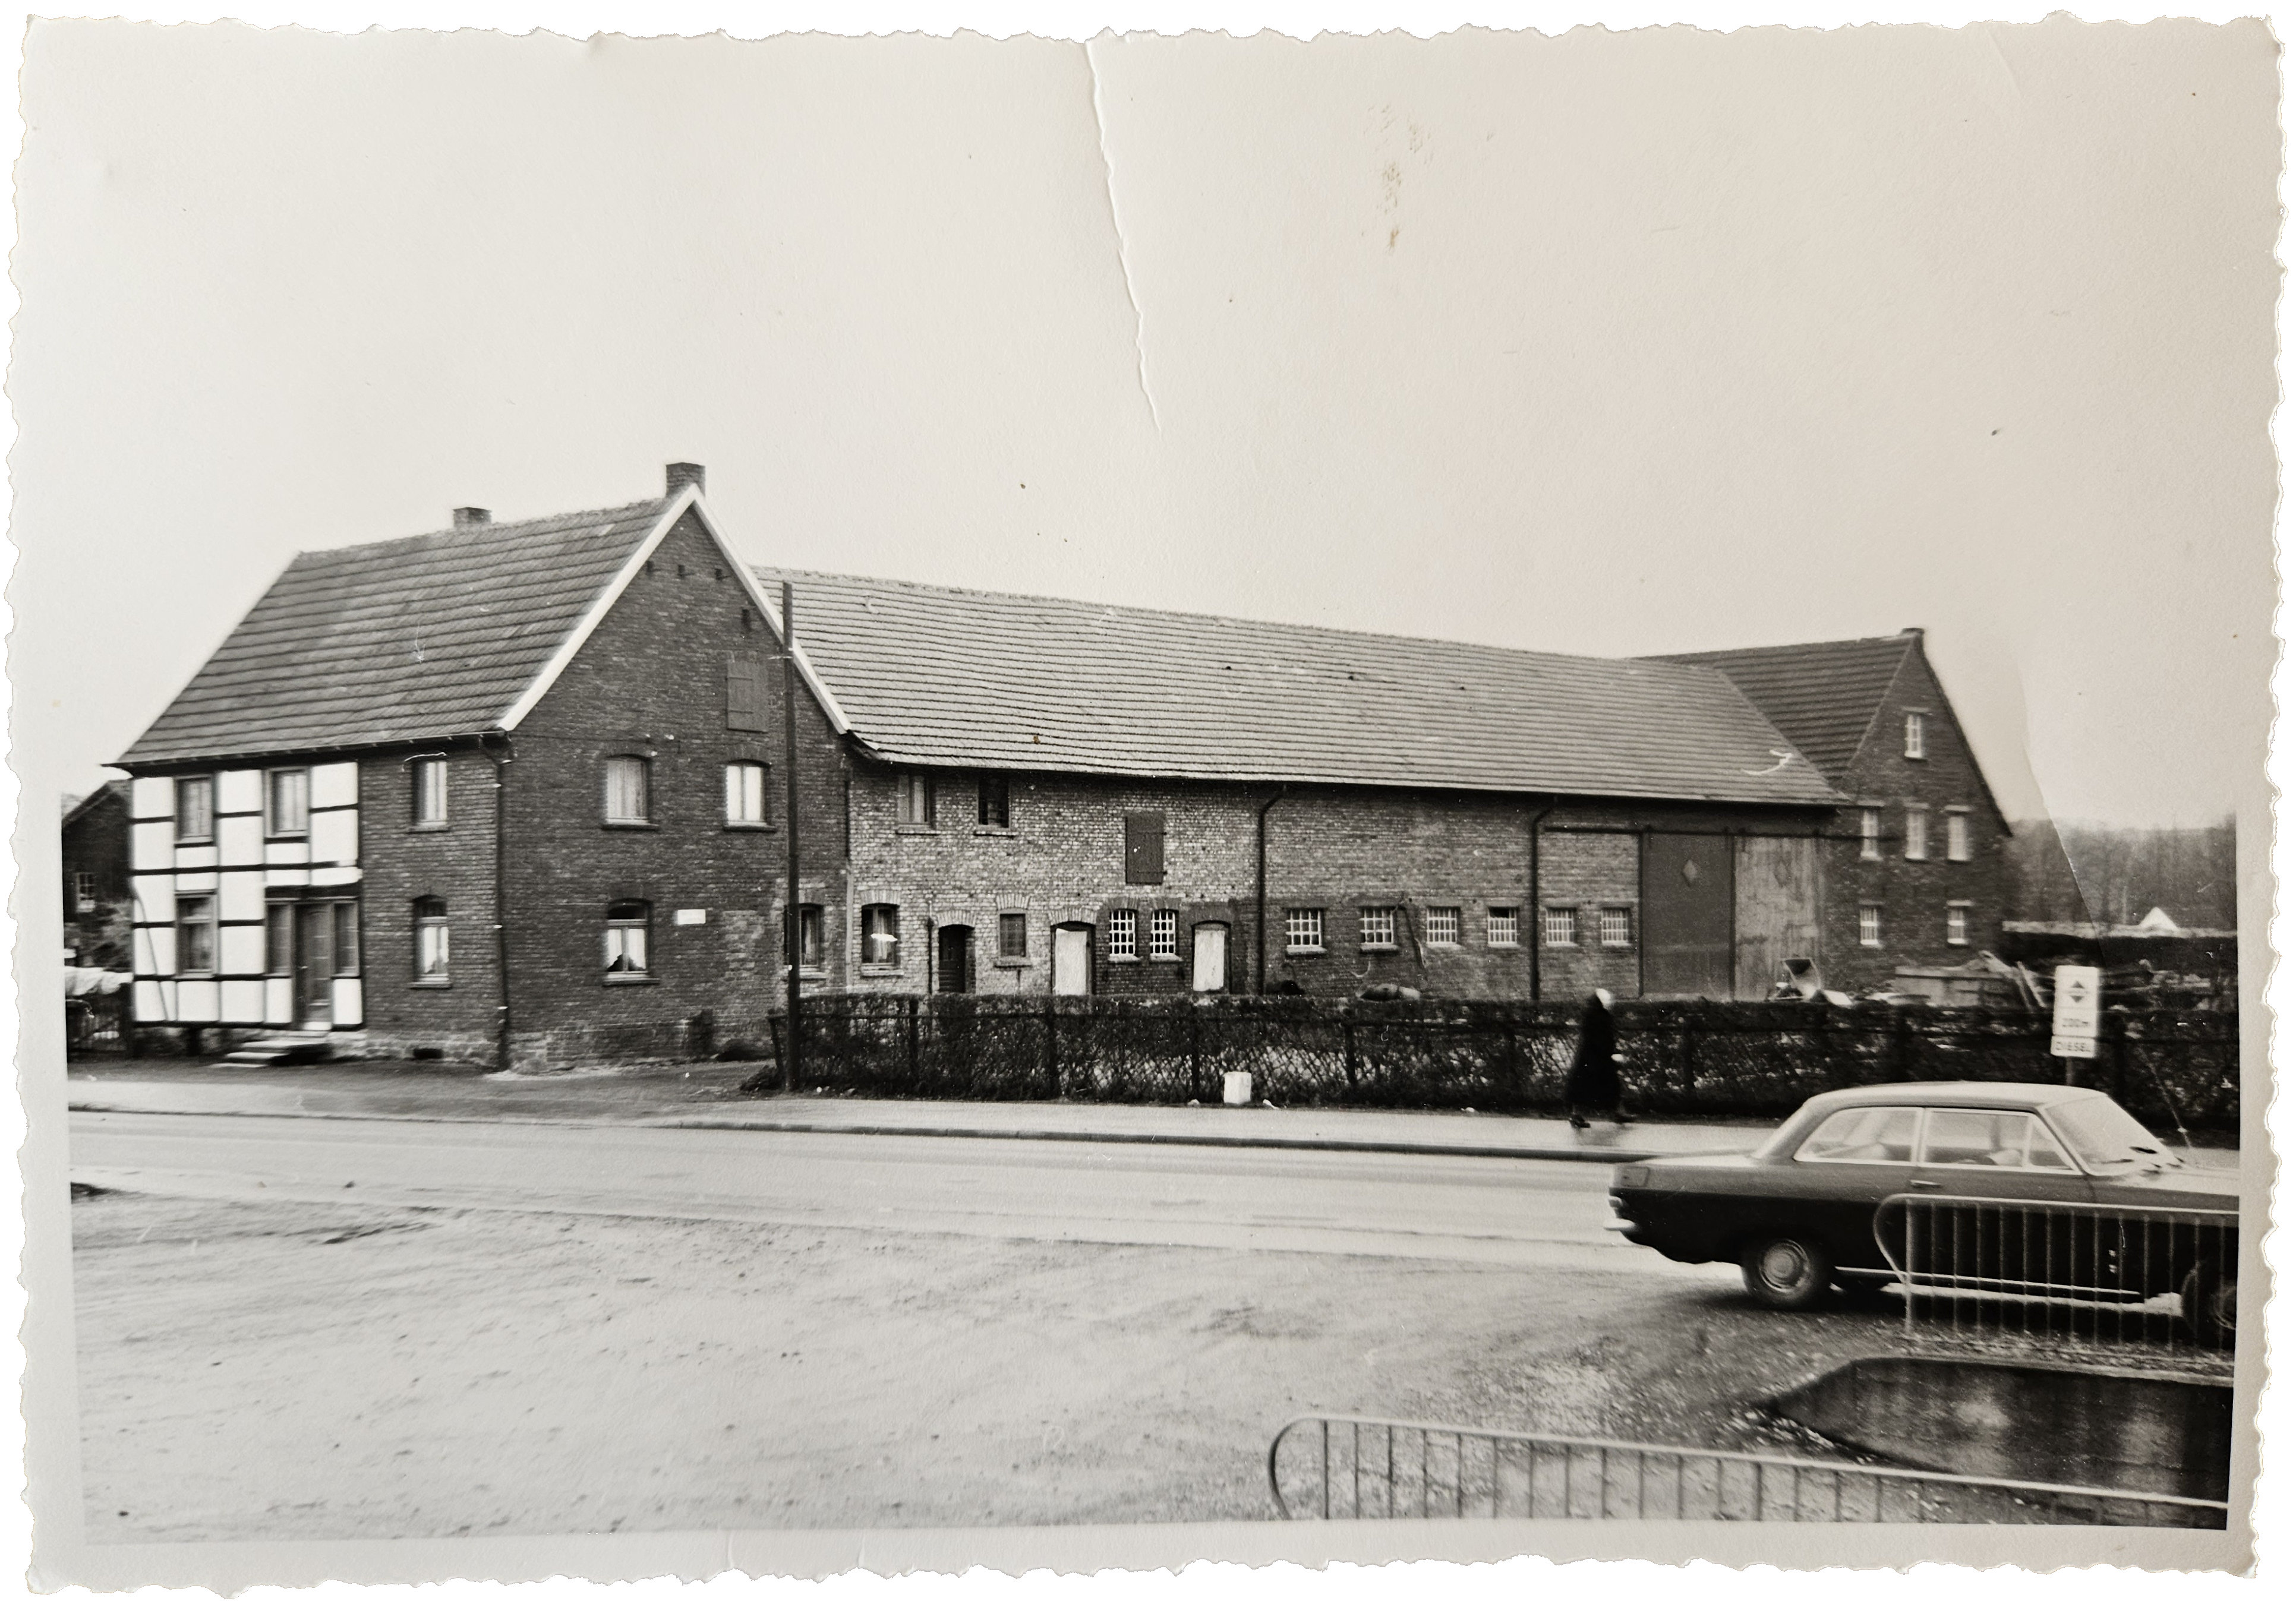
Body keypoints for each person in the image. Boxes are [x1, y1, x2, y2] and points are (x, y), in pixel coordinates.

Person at [1564, 989, 1630, 1129]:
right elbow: (1606, 1037)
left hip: (1589, 1058)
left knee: (1582, 1087)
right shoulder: (1601, 1016)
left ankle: (1577, 1115)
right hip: (1599, 1057)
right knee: (1611, 1085)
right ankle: (1618, 1113)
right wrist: (1613, 1052)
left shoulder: (1591, 1014)